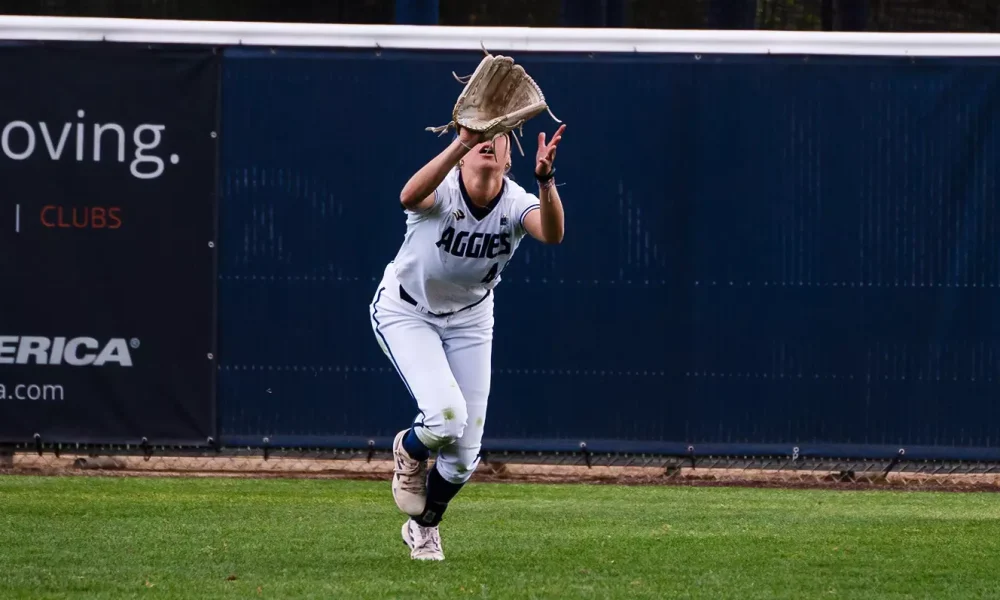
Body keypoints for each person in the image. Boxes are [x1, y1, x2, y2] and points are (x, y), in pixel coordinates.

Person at [368, 122, 567, 561]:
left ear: (509, 157)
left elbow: (552, 233)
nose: (487, 142)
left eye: (497, 137)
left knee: (463, 457)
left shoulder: (515, 201)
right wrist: (461, 138)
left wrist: (546, 181)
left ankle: (423, 528)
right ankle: (409, 448)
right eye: (478, 138)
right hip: (407, 310)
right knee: (444, 418)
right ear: (461, 152)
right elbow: (408, 196)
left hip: (471, 319)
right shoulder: (443, 190)